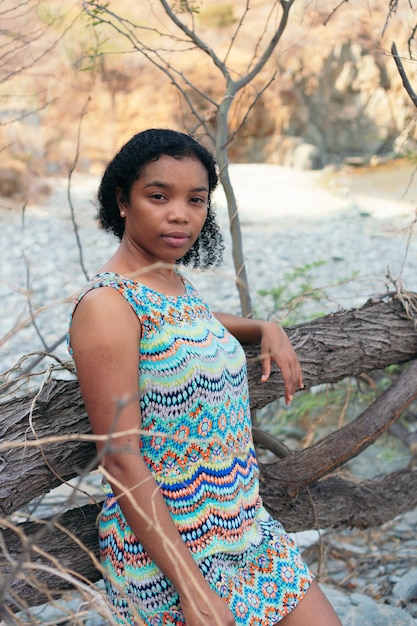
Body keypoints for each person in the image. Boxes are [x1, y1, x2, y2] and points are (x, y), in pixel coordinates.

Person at [68, 129, 342, 626]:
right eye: (159, 196)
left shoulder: (170, 282)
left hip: (246, 529)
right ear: (122, 201)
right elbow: (122, 462)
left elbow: (196, 321)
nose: (180, 214)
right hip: (169, 553)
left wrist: (265, 326)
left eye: (196, 200)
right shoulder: (106, 307)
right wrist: (193, 590)